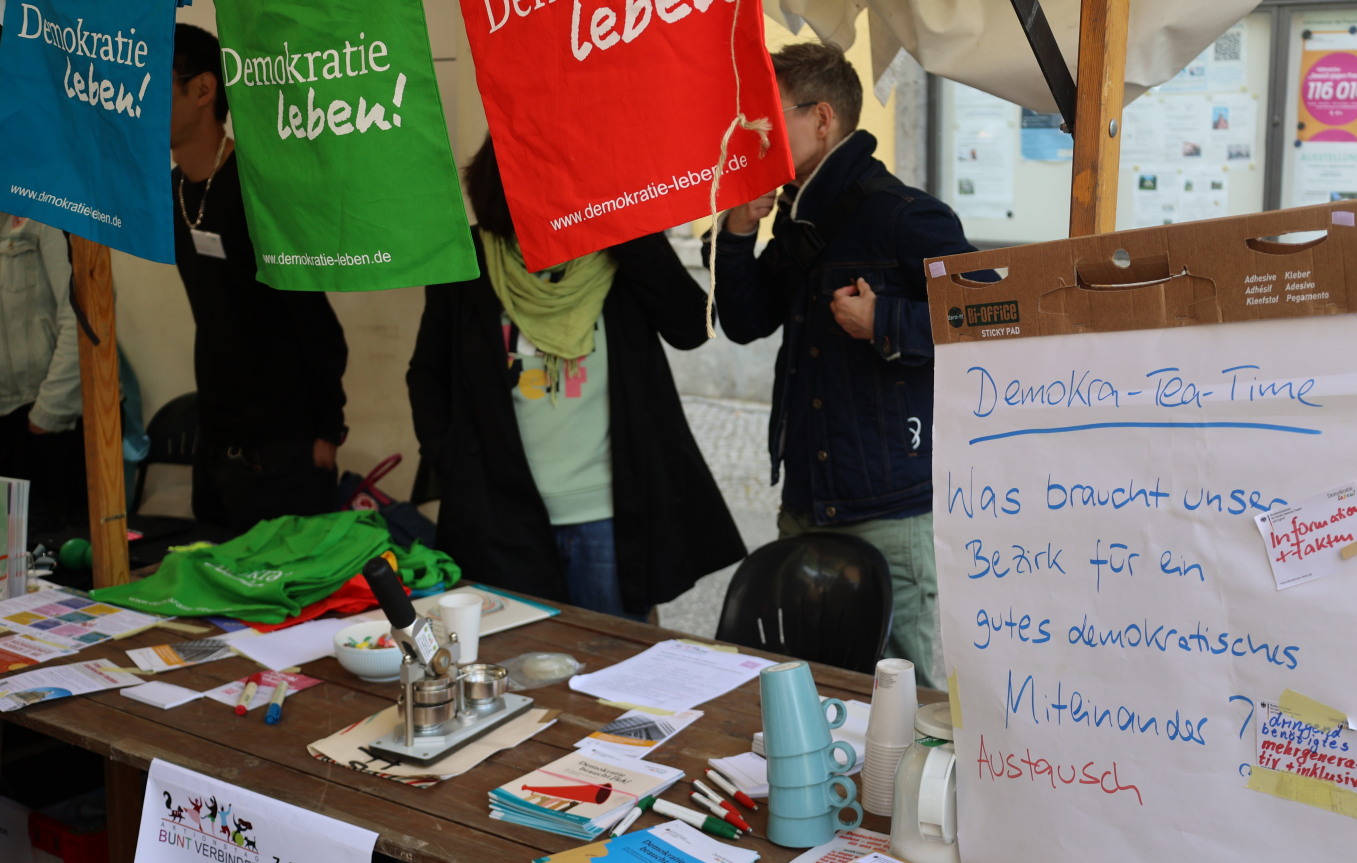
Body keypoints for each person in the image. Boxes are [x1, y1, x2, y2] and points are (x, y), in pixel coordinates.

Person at [704, 42, 984, 686]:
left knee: (905, 699)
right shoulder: (797, 216)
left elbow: (988, 312)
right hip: (806, 499)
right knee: (802, 689)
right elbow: (746, 322)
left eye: (768, 121)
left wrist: (884, 321)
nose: (754, 137)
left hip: (889, 508)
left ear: (822, 118)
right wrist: (738, 233)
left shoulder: (902, 214)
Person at [407, 136, 745, 619]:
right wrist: (451, 458)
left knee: (614, 655)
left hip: (606, 516)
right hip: (501, 514)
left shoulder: (618, 248)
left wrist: (627, 224)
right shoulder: (468, 257)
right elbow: (427, 373)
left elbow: (691, 327)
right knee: (515, 655)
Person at [169, 24, 348, 533]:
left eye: (152, 84)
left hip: (283, 453)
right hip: (215, 444)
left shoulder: (257, 189)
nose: (136, 99)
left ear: (203, 89)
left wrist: (328, 430)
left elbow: (316, 322)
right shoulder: (173, 190)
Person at [0, 212, 88, 534]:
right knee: (10, 552)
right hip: (10, 419)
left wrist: (47, 416)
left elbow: (83, 319)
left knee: (55, 549)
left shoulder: (49, 210)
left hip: (51, 420)